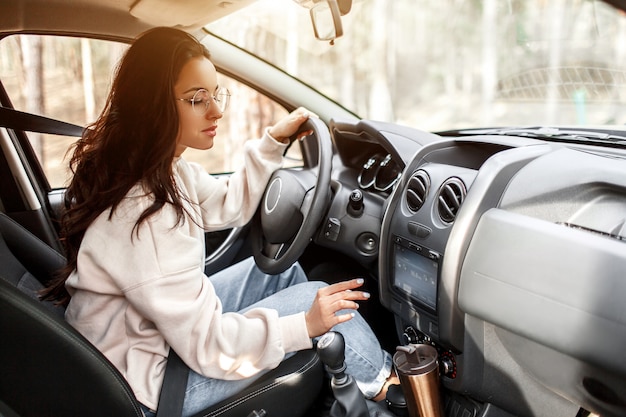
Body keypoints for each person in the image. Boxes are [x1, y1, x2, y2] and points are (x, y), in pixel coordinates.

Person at [42, 27, 397, 417]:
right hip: (148, 387)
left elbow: (229, 204)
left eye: (216, 94)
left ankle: (343, 385)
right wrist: (305, 325)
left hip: (140, 345)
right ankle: (396, 392)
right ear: (152, 104)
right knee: (333, 314)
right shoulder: (148, 212)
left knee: (280, 275)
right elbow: (209, 348)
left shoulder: (156, 170)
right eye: (197, 99)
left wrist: (272, 144)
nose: (217, 111)